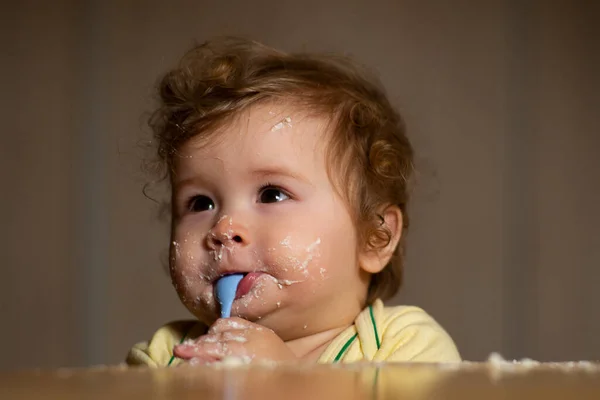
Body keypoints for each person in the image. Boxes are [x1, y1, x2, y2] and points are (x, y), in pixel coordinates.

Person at [127, 37, 460, 367]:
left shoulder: (403, 344)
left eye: (271, 194)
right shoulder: (167, 354)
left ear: (374, 236)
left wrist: (289, 381)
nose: (223, 228)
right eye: (201, 203)